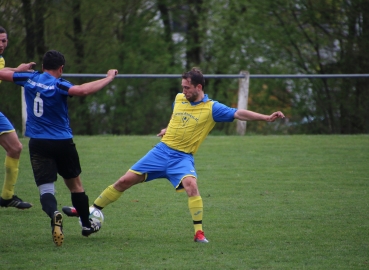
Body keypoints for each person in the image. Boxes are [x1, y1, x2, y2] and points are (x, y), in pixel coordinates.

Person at [63, 67, 285, 243]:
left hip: (182, 158)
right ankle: (86, 210)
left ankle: (199, 234)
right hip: (160, 152)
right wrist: (167, 130)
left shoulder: (212, 108)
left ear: (199, 87)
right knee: (123, 181)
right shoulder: (180, 99)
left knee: (192, 186)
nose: (184, 90)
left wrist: (265, 117)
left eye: (188, 87)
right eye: (183, 86)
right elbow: (178, 118)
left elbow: (239, 113)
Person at [0, 50, 118, 246]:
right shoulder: (59, 84)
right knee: (76, 186)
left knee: (46, 189)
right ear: (61, 68)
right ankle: (87, 225)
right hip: (62, 142)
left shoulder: (29, 78)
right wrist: (108, 78)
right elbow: (83, 90)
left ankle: (54, 214)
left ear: (43, 66)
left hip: (38, 143)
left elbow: (2, 73)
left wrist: (17, 69)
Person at [0, 26, 32, 209]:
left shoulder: (1, 60)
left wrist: (18, 69)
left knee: (15, 147)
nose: (2, 44)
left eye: (4, 40)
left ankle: (7, 196)